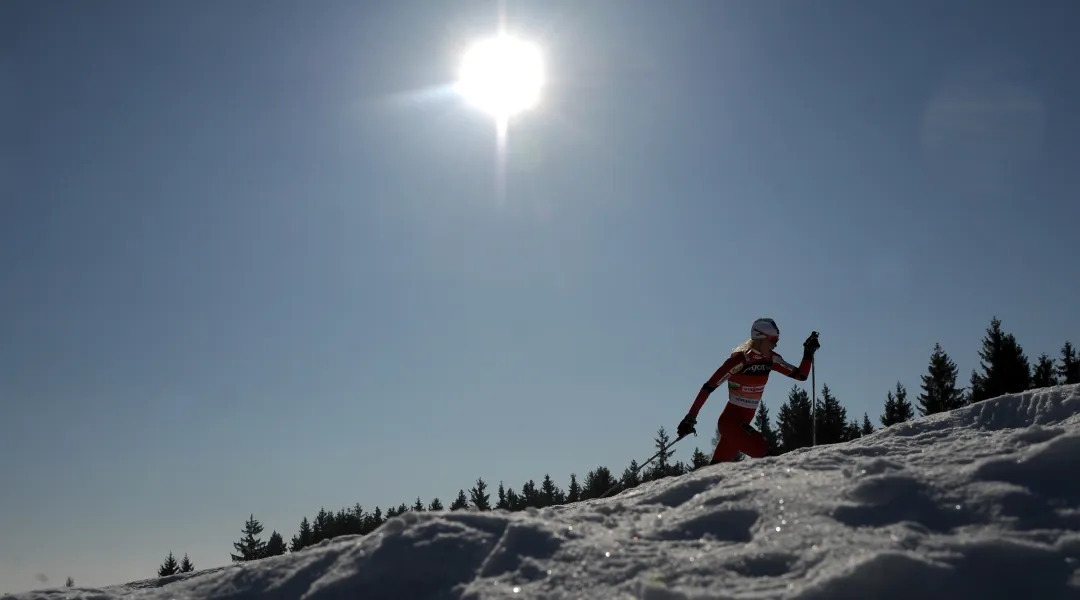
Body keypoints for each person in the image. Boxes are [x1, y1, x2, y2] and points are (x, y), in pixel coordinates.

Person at [677, 318, 819, 464]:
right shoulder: (740, 360)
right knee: (766, 455)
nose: (776, 344)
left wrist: (808, 352)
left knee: (715, 474)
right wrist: (690, 418)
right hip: (730, 424)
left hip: (741, 425)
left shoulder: (771, 360)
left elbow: (801, 375)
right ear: (759, 338)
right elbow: (708, 387)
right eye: (773, 339)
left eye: (777, 339)